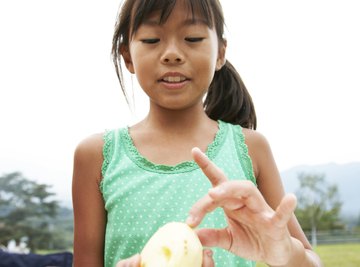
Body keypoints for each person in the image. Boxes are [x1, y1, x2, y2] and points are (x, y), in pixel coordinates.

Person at [72, 0, 323, 266]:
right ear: (127, 56)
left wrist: (285, 253)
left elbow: (310, 260)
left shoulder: (251, 148)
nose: (172, 54)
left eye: (192, 38)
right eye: (151, 39)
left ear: (220, 53)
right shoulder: (97, 156)